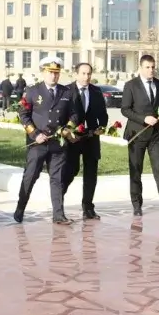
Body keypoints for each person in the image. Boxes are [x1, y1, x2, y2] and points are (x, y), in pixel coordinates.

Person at [13, 58, 75, 225]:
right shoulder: (32, 91)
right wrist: (35, 134)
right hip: (38, 144)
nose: (54, 76)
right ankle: (20, 207)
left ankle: (58, 214)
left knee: (58, 179)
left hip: (58, 143)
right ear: (43, 72)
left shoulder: (66, 92)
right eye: (50, 72)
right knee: (30, 177)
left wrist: (68, 128)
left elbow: (74, 114)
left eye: (56, 73)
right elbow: (23, 115)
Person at [118, 54, 159, 218]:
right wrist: (143, 119)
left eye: (153, 67)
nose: (151, 70)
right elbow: (125, 109)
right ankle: (137, 205)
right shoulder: (131, 85)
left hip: (156, 135)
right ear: (140, 68)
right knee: (136, 170)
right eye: (147, 67)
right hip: (137, 134)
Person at [62, 61, 107, 221]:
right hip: (73, 139)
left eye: (89, 74)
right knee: (70, 171)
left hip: (91, 138)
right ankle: (58, 205)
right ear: (76, 74)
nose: (86, 77)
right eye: (83, 73)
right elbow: (61, 115)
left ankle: (88, 208)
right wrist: (67, 132)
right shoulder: (66, 91)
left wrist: (102, 127)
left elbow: (103, 114)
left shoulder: (96, 91)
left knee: (91, 174)